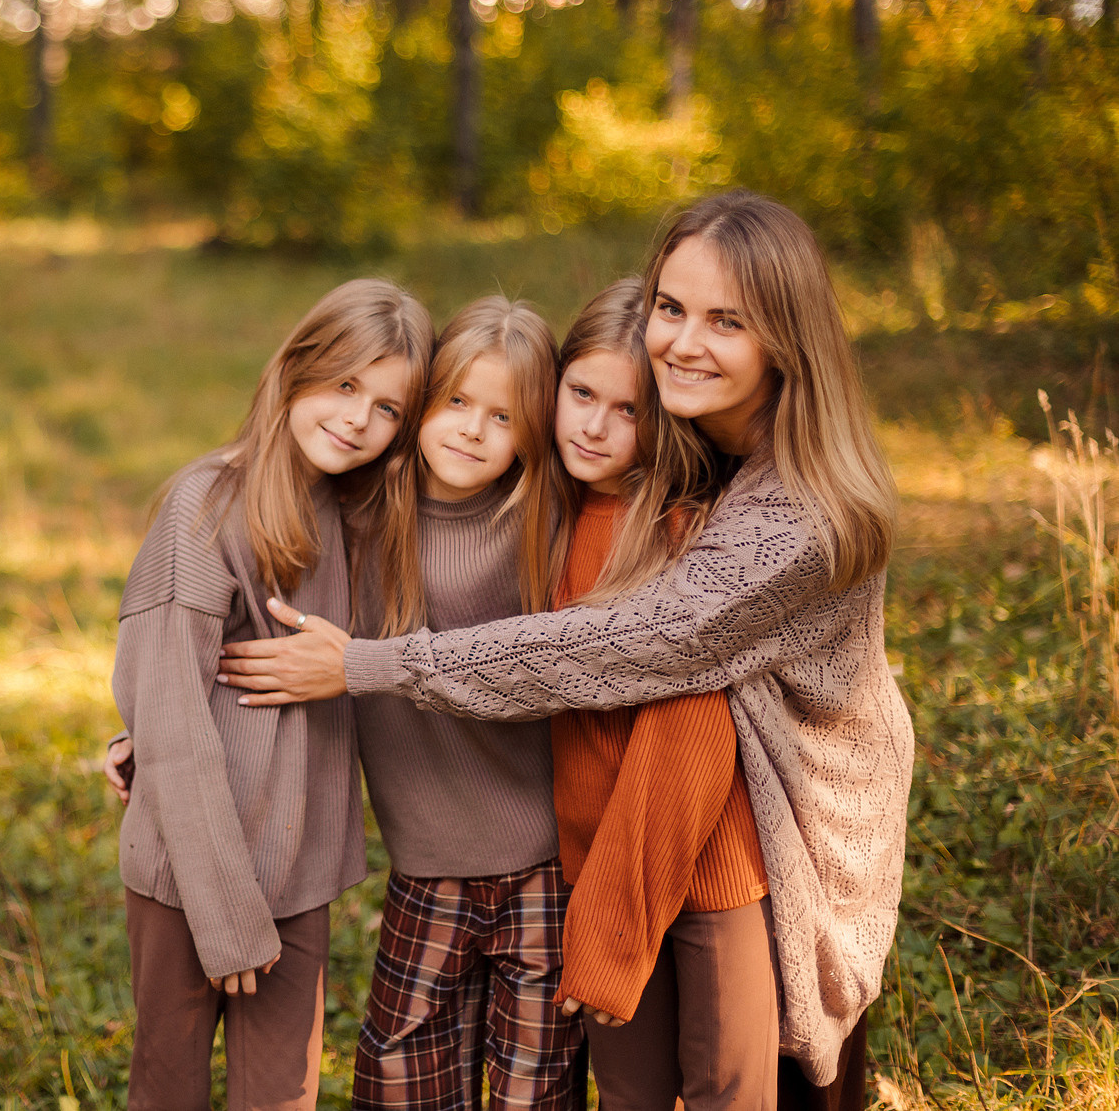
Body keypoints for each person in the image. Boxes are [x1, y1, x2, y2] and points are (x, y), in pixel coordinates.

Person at [216, 190, 913, 1102]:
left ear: (785, 337)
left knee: (765, 1077)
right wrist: (172, 717)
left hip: (797, 816)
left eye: (725, 321)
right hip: (647, 817)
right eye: (671, 308)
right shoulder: (678, 440)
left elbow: (628, 641)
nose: (681, 342)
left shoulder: (798, 511)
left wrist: (370, 663)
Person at [110, 278, 432, 1111]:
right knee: (168, 1087)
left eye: (389, 407)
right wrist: (224, 916)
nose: (359, 419)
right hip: (191, 877)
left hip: (297, 873)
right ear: (295, 371)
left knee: (282, 1094)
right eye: (344, 385)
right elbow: (174, 718)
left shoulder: (359, 518)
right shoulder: (206, 506)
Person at [533, 278, 779, 1107]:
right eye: (580, 394)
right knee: (631, 1096)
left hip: (709, 867)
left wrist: (608, 925)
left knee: (728, 1091)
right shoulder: (547, 514)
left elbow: (693, 728)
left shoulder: (679, 532)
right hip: (594, 861)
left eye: (628, 409)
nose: (595, 426)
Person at [345, 296, 585, 1111]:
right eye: (456, 402)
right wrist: (153, 722)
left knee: (534, 1087)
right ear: (424, 400)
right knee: (402, 1078)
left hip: (544, 867)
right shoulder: (364, 515)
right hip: (427, 865)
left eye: (503, 415)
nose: (473, 430)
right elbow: (261, 615)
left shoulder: (546, 522)